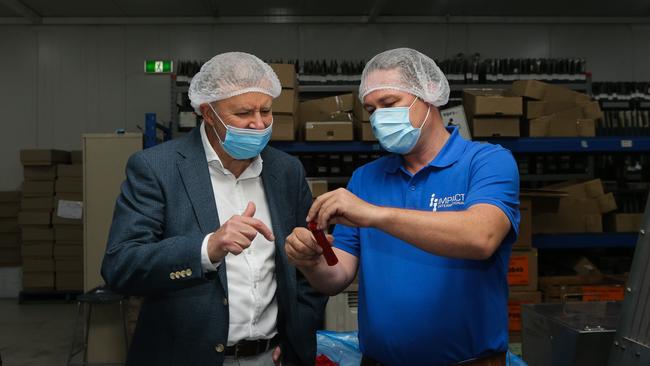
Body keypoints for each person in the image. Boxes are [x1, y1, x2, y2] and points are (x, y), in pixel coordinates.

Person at [285, 48, 520, 366]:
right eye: (371, 109)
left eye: (389, 104)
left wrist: (375, 214)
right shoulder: (365, 179)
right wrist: (312, 262)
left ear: (430, 96)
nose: (380, 117)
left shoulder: (487, 161)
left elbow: (481, 237)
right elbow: (337, 275)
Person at [102, 52, 327, 366]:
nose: (259, 124)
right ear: (208, 113)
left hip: (271, 357)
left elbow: (308, 266)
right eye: (244, 112)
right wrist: (207, 248)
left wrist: (296, 334)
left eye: (266, 110)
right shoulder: (157, 168)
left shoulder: (286, 171)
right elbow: (121, 265)